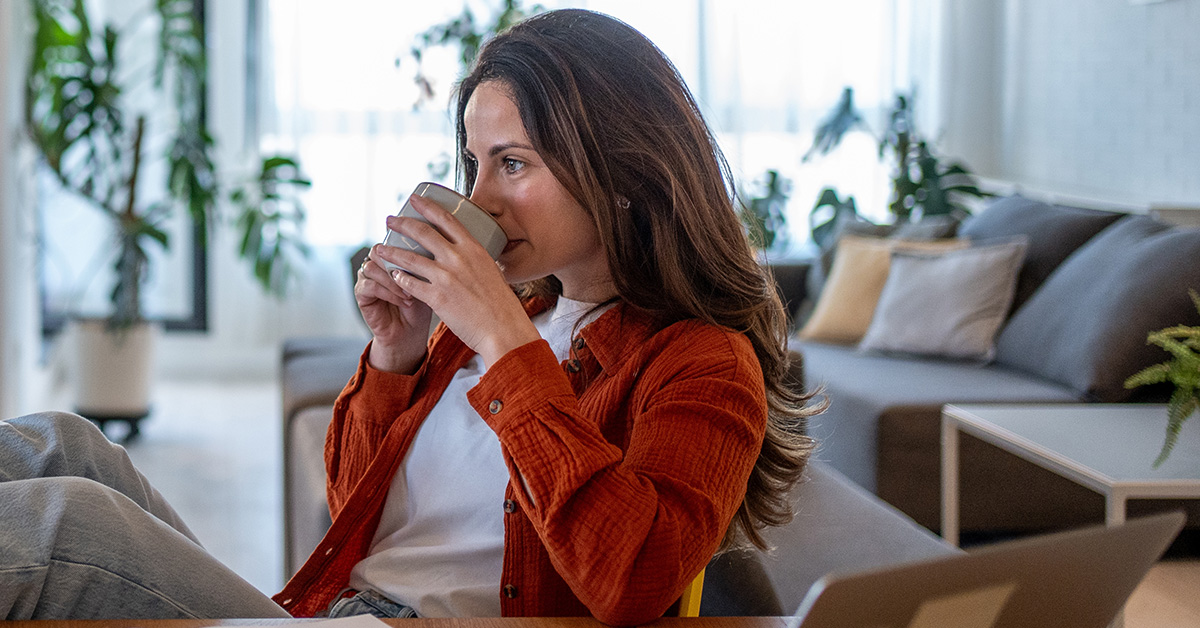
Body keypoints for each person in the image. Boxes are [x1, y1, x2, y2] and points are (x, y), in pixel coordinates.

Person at [0, 8, 816, 624]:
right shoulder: (501, 313)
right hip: (336, 611)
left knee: (64, 527)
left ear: (625, 172)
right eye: (473, 160)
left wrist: (505, 343)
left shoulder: (701, 363)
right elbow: (355, 509)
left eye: (514, 162)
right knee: (62, 445)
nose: (481, 196)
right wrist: (394, 354)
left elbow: (633, 579)